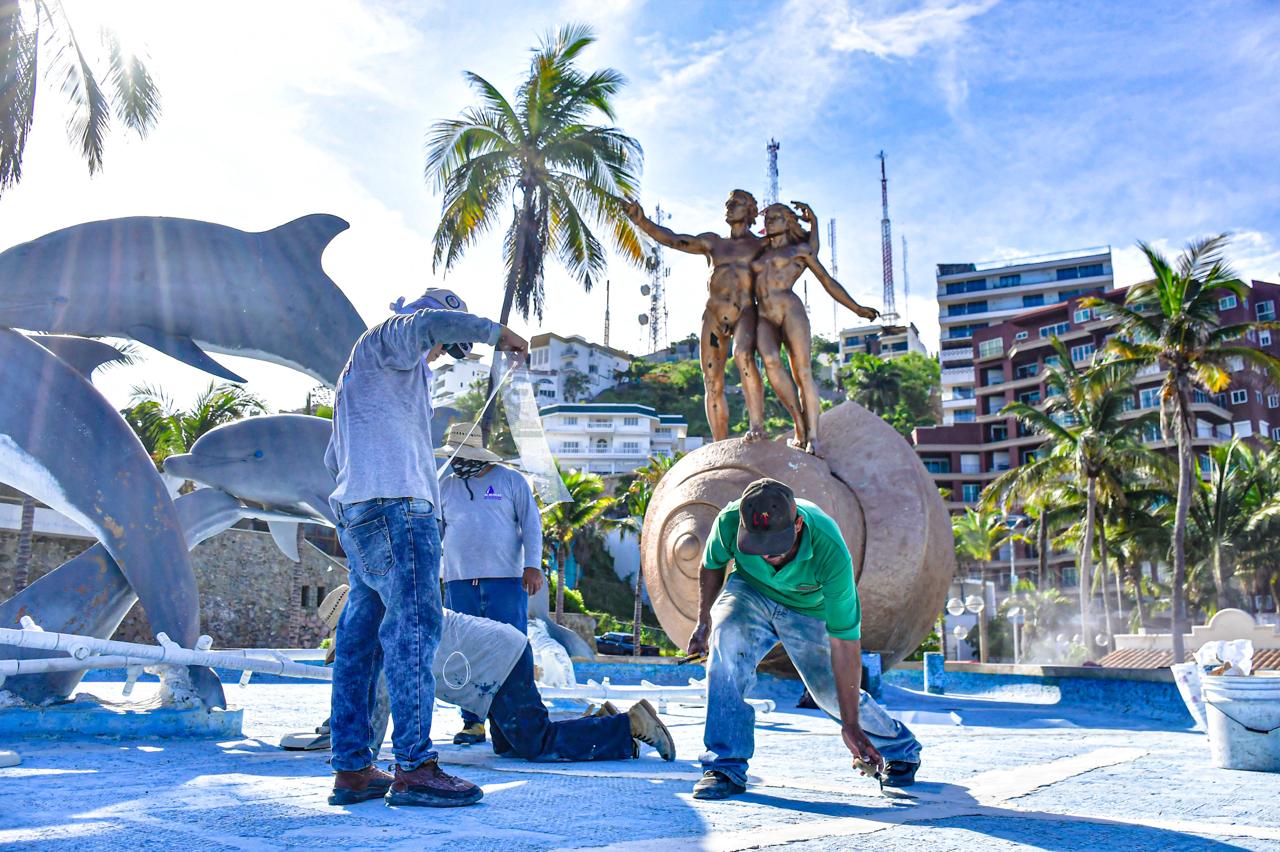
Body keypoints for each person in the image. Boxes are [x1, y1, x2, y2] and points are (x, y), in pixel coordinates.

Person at [324, 287, 527, 809]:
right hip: (397, 514)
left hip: (359, 514)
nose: (437, 354)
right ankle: (413, 766)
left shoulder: (360, 379)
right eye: (444, 344)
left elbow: (333, 459)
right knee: (414, 632)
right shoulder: (385, 341)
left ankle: (352, 769)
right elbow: (424, 326)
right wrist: (496, 334)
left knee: (360, 642)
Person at [314, 589, 677, 810]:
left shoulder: (386, 633)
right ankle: (597, 720)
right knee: (510, 746)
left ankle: (629, 723)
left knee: (535, 743)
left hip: (499, 658)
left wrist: (360, 763)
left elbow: (375, 711)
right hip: (498, 653)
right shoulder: (394, 613)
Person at [686, 478, 922, 800]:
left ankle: (900, 747)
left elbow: (845, 643)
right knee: (725, 644)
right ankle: (725, 766)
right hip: (750, 592)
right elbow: (712, 565)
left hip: (807, 610)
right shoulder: (729, 521)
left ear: (798, 525)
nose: (767, 555)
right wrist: (704, 623)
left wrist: (850, 725)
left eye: (776, 546)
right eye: (757, 545)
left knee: (830, 692)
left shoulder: (830, 550)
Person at [624, 192, 767, 443]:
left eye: (736, 203)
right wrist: (642, 222)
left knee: (743, 355)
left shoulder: (760, 246)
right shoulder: (713, 242)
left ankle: (757, 425)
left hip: (745, 309)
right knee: (711, 380)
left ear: (751, 210)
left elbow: (794, 253)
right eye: (728, 203)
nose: (729, 207)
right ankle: (719, 443)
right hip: (713, 313)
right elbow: (675, 240)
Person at [435, 422, 543, 747]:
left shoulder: (511, 480)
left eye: (463, 455)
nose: (457, 461)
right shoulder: (444, 486)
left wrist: (532, 566)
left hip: (506, 581)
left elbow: (531, 524)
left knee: (510, 647)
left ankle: (509, 720)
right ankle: (472, 722)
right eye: (454, 455)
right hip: (458, 580)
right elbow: (435, 532)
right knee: (462, 652)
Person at [749, 202, 878, 454]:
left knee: (803, 372)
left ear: (788, 222)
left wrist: (857, 308)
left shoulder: (800, 251)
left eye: (775, 218)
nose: (769, 222)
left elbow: (827, 281)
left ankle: (813, 437)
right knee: (771, 363)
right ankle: (799, 423)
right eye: (768, 218)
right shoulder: (759, 250)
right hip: (763, 315)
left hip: (790, 310)